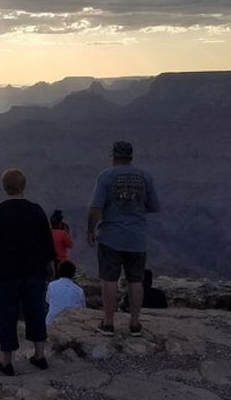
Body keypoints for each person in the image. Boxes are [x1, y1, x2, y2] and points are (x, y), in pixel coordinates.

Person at [0, 168, 56, 376]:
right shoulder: (36, 210)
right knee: (36, 311)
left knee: (6, 315)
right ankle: (39, 355)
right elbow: (47, 242)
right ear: (24, 186)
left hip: (5, 273)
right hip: (34, 271)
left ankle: (7, 362)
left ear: (4, 187)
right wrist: (50, 265)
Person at [86, 140, 160, 337]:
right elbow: (153, 205)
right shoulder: (145, 176)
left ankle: (108, 323)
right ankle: (135, 324)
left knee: (109, 279)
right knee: (136, 280)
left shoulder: (106, 176)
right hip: (137, 237)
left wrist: (90, 230)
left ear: (113, 156)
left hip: (111, 236)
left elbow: (95, 208)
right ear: (130, 156)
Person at [45, 260, 86, 326]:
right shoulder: (79, 290)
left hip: (51, 321)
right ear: (73, 273)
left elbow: (48, 300)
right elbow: (83, 308)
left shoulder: (51, 285)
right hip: (72, 322)